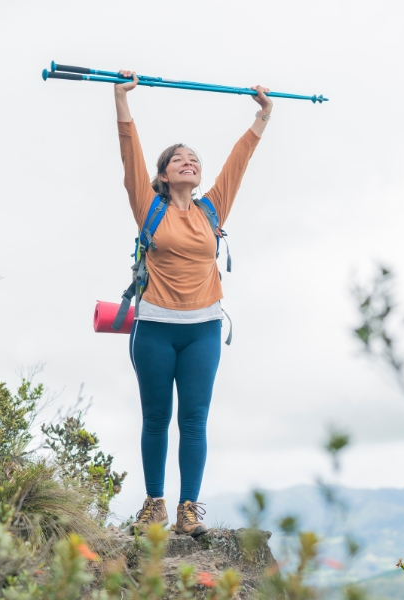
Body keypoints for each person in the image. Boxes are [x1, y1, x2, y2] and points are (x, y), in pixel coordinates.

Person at [114, 70, 272, 537]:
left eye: (194, 159)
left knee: (195, 420)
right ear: (163, 174)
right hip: (155, 328)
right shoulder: (149, 206)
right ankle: (155, 503)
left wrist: (262, 117)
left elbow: (239, 163)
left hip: (203, 328)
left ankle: (188, 510)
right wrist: (122, 101)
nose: (189, 162)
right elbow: (130, 156)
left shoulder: (211, 209)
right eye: (178, 159)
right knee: (157, 419)